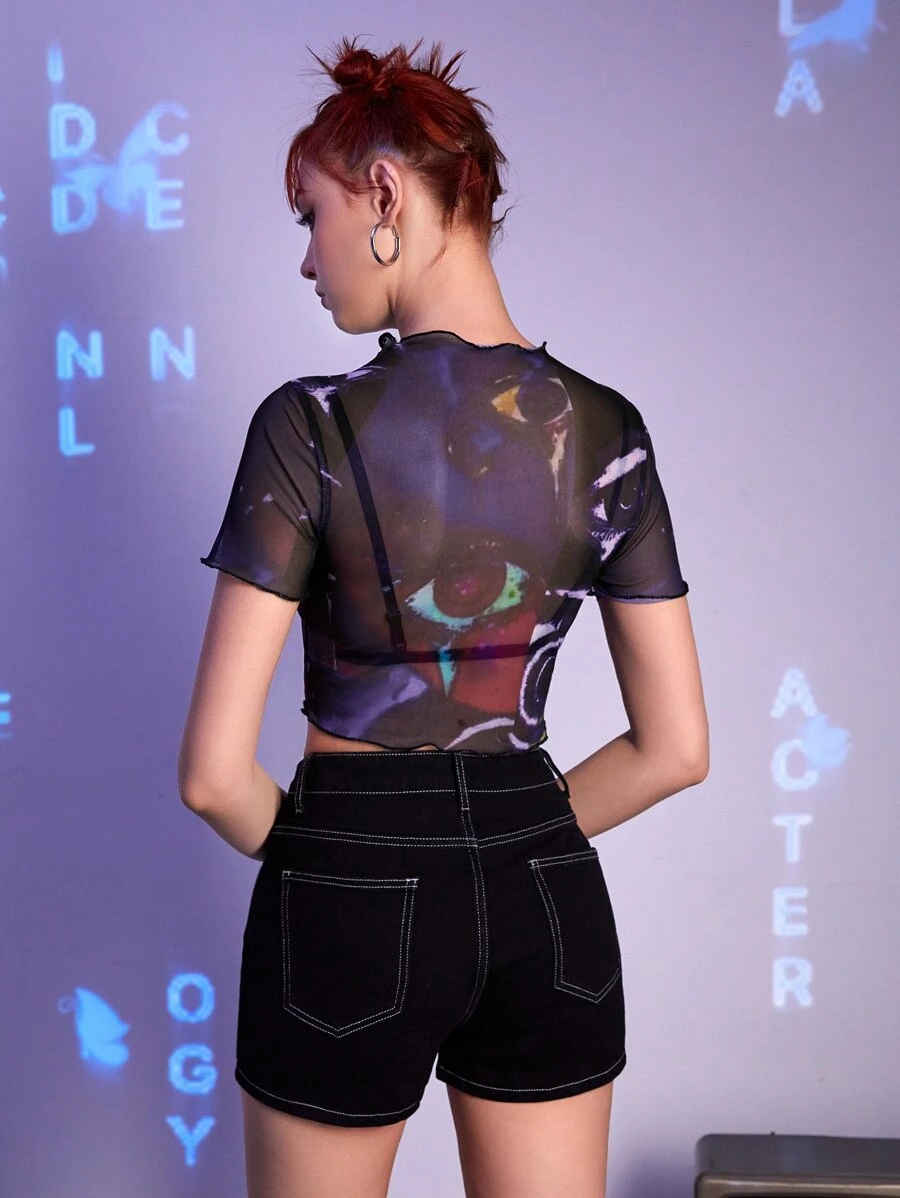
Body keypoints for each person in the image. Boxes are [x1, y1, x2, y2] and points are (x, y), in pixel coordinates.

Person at [178, 35, 708, 1198]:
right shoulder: (608, 431)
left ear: (383, 194)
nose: (305, 258)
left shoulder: (308, 428)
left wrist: (339, 860)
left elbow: (214, 776)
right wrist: (506, 840)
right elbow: (676, 749)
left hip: (347, 889)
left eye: (310, 214)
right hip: (547, 891)